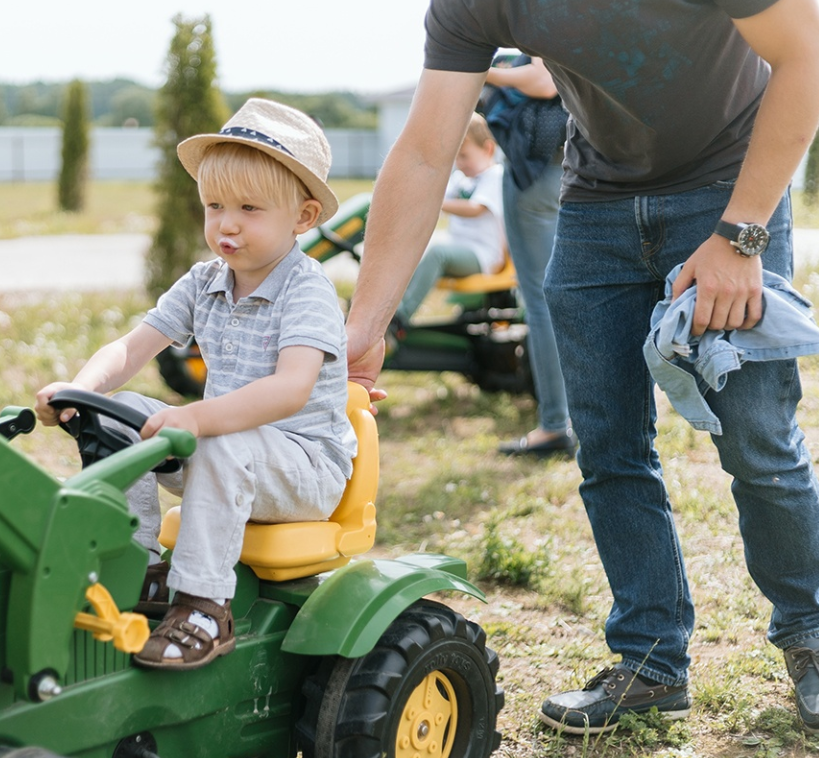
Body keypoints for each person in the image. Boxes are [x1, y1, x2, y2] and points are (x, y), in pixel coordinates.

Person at [345, 0, 819, 736]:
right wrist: (367, 324)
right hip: (596, 205)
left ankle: (812, 634)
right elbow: (425, 151)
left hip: (730, 187)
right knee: (607, 446)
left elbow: (807, 55)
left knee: (756, 436)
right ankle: (651, 659)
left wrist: (741, 235)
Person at [35, 98, 357, 671]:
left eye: (249, 208)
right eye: (215, 206)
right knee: (117, 411)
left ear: (303, 217)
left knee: (221, 438)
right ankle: (133, 567)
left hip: (304, 467)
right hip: (220, 452)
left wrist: (199, 419)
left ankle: (205, 609)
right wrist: (80, 389)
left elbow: (291, 389)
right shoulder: (205, 280)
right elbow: (131, 348)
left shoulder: (306, 290)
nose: (227, 223)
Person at [483, 56, 575, 457]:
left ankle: (555, 425)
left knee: (541, 303)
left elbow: (544, 80)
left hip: (538, 174)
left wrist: (482, 70)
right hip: (580, 165)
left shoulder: (540, 24)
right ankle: (588, 420)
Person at [394, 113, 506, 324]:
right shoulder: (460, 179)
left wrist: (434, 203)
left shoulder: (494, 176)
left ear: (488, 149)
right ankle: (390, 308)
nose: (459, 163)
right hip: (460, 250)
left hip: (483, 255)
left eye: (464, 156)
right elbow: (436, 197)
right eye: (455, 157)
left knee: (438, 254)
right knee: (415, 249)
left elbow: (475, 208)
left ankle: (400, 317)